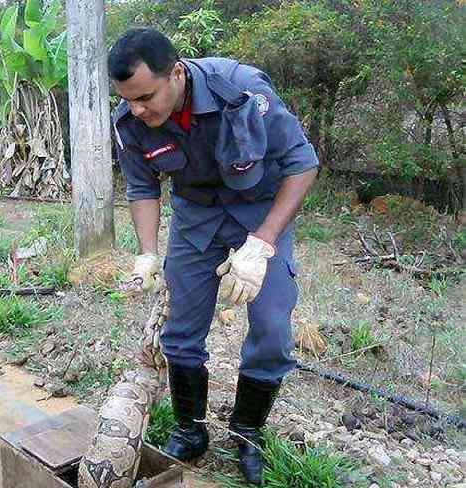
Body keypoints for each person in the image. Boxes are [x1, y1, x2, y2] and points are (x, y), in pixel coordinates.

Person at [108, 28, 319, 484]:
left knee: (271, 325)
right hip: (197, 216)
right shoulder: (129, 121)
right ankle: (190, 430)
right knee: (181, 329)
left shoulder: (242, 92)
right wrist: (147, 255)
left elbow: (302, 164)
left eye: (146, 97)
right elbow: (143, 187)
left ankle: (247, 433)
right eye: (128, 99)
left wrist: (263, 244)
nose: (138, 109)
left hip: (260, 211)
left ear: (177, 75)